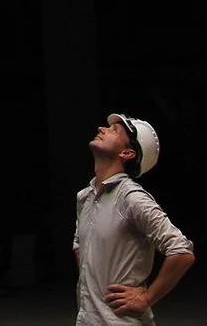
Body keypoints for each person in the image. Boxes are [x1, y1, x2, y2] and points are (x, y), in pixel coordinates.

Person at [73, 114, 194, 323]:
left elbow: (181, 250)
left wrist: (147, 297)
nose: (102, 128)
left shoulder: (131, 198)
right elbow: (79, 245)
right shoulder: (85, 197)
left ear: (127, 153)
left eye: (114, 130)